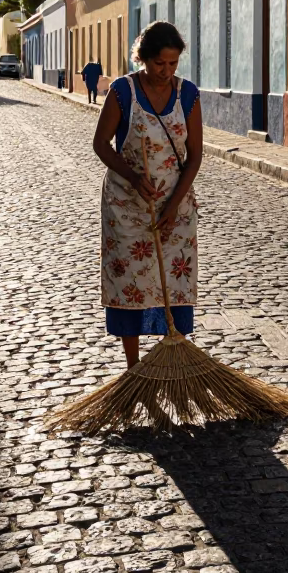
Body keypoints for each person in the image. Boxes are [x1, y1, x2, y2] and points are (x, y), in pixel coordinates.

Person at [92, 21, 202, 369]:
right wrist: (134, 177)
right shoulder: (123, 92)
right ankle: (133, 367)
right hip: (127, 207)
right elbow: (101, 145)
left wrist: (174, 205)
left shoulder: (188, 94)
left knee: (175, 282)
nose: (166, 72)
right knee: (132, 285)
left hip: (176, 208)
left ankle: (172, 361)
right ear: (143, 58)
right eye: (159, 64)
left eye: (173, 64)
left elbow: (195, 155)